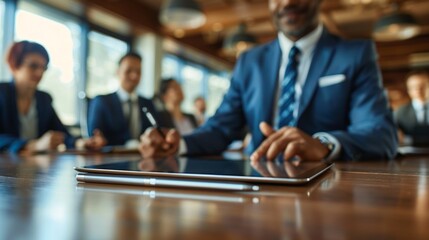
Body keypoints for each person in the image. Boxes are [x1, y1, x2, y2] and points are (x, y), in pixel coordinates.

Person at [139, 0, 397, 162]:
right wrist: (177, 144)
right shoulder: (249, 61)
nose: (287, 2)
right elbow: (221, 127)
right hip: (257, 180)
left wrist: (323, 144)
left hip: (329, 186)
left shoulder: (355, 54)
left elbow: (380, 134)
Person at [0, 40, 106, 154]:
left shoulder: (43, 99)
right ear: (15, 65)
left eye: (44, 68)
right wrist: (33, 145)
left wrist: (81, 143)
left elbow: (60, 133)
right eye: (33, 66)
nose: (40, 73)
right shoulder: (2, 93)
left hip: (34, 166)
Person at [88, 52, 162, 147]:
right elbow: (95, 137)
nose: (134, 76)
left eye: (138, 72)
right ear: (118, 72)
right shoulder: (101, 101)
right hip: (112, 158)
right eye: (128, 71)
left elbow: (156, 131)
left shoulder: (147, 103)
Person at [394, 71, 429, 146]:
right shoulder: (400, 112)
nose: (418, 90)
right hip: (409, 155)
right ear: (408, 90)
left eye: (423, 86)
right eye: (414, 87)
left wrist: (409, 140)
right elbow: (397, 137)